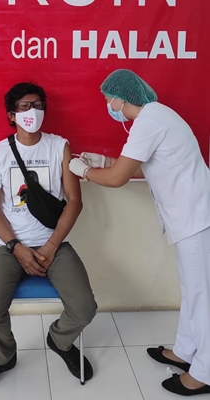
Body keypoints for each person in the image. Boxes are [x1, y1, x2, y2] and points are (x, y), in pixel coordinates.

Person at [69, 69, 210, 396]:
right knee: (192, 289)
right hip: (188, 218)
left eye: (109, 99)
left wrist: (85, 171)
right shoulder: (155, 117)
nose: (108, 105)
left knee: (202, 295)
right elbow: (144, 163)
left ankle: (204, 372)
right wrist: (104, 161)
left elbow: (118, 178)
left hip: (197, 218)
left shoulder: (150, 121)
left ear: (122, 98)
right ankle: (185, 351)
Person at [0, 82, 97, 390]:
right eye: (24, 106)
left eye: (38, 105)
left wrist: (51, 245)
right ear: (11, 115)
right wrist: (15, 246)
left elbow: (75, 202)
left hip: (54, 244)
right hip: (8, 246)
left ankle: (59, 340)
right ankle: (4, 356)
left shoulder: (59, 146)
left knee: (85, 308)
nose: (32, 112)